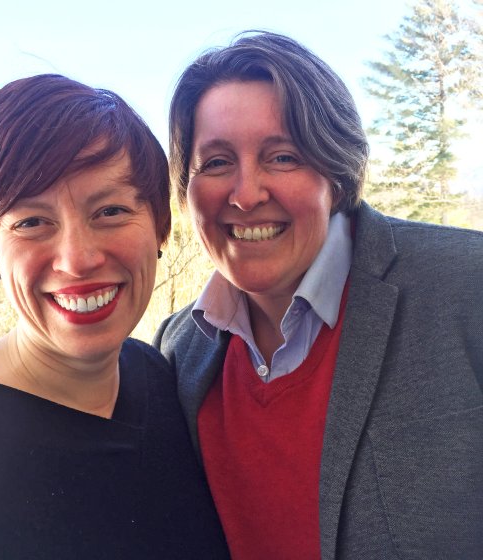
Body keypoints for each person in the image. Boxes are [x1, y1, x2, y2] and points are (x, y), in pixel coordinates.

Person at [154, 31, 483, 560]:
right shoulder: (177, 353)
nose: (246, 194)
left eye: (282, 157)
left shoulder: (465, 287)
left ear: (337, 173)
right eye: (215, 163)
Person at [0, 74, 229, 560]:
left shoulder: (162, 381)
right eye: (31, 222)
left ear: (160, 227)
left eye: (110, 211)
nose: (78, 259)